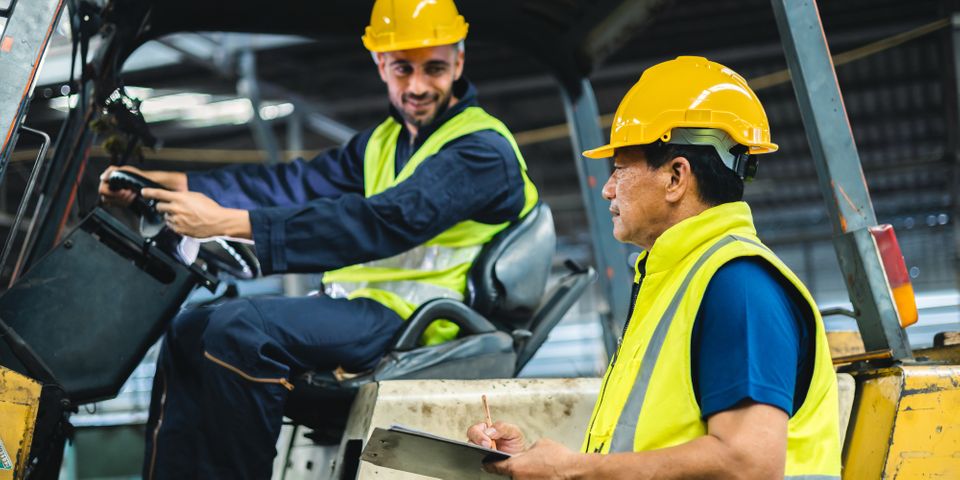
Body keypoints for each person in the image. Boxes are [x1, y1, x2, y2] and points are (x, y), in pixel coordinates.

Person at [99, 1, 538, 478]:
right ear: (380, 64)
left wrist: (228, 223)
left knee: (241, 329)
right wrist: (164, 183)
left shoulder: (481, 150)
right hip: (359, 306)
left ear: (458, 61)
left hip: (417, 317)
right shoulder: (383, 142)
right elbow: (294, 184)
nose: (416, 86)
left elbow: (383, 222)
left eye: (433, 68)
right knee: (188, 329)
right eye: (401, 68)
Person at [467, 56, 841, 479]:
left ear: (676, 178)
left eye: (620, 168)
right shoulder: (676, 282)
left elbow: (747, 463)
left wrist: (572, 471)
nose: (608, 188)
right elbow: (652, 449)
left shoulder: (738, 284)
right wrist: (543, 465)